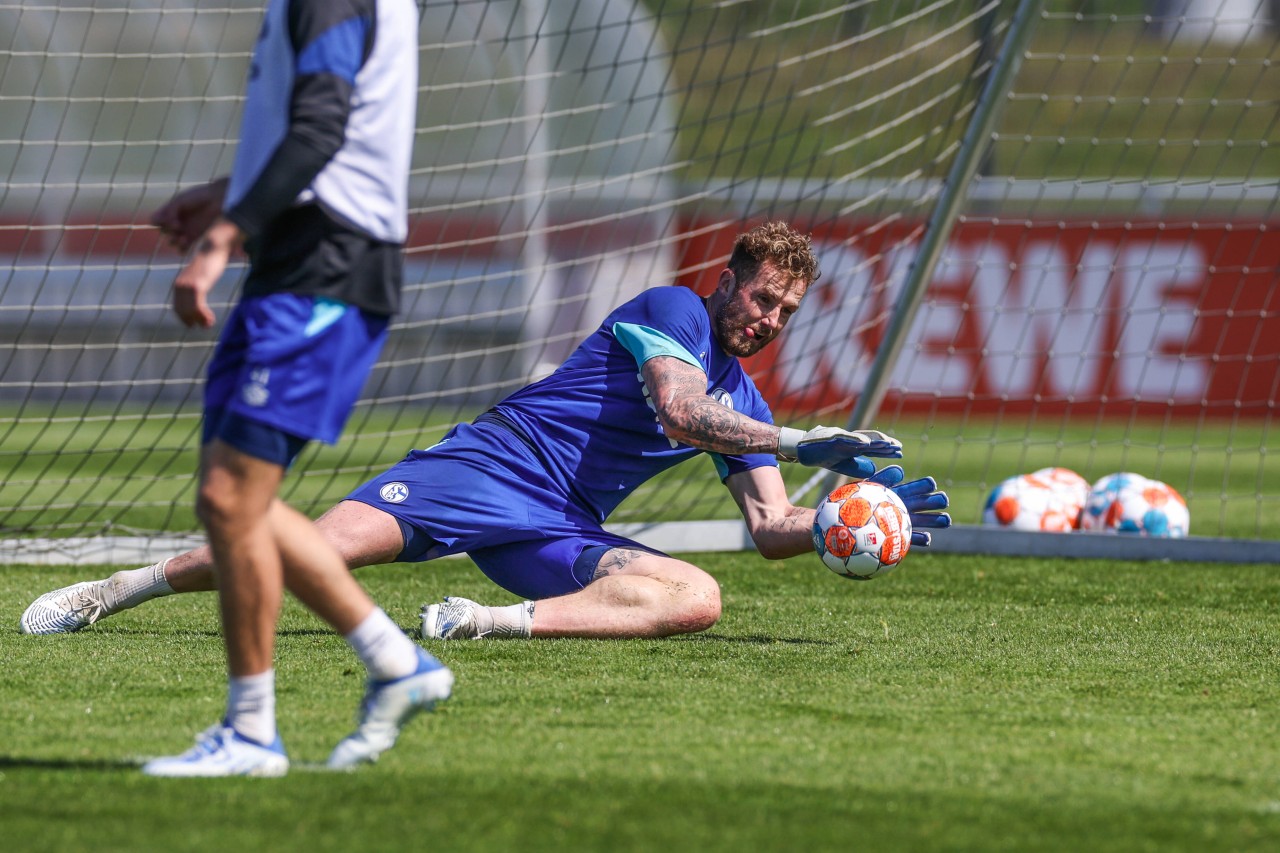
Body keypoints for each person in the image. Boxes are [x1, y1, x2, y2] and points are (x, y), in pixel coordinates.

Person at [23, 221, 951, 644]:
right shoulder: (674, 309)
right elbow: (677, 409)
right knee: (310, 551)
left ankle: (487, 622)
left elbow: (769, 529)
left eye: (786, 310)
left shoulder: (743, 393)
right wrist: (794, 439)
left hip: (558, 531)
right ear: (726, 283)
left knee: (697, 594)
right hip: (490, 468)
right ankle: (120, 587)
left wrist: (846, 514)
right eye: (762, 297)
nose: (769, 317)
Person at [122, 0, 450, 777]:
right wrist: (228, 194)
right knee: (236, 501)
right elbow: (322, 132)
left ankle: (252, 733)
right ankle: (394, 663)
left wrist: (221, 236)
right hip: (296, 268)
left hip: (326, 271)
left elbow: (321, 128)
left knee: (233, 499)